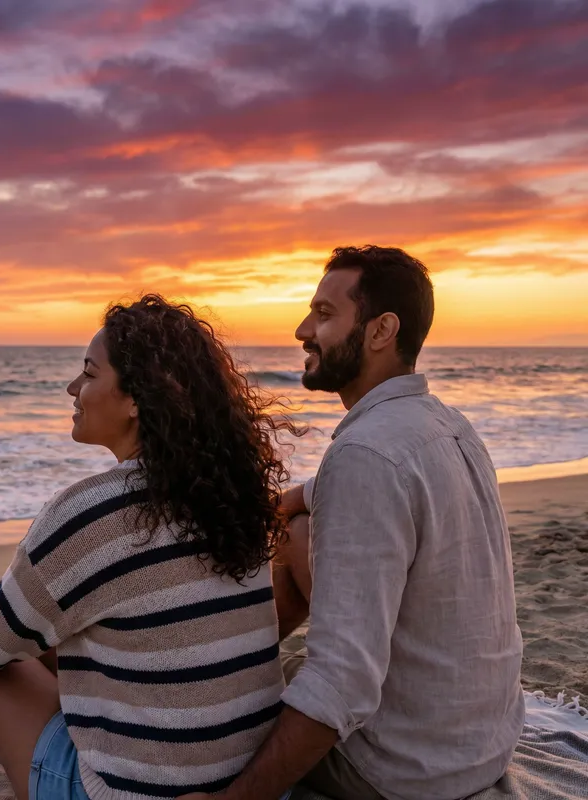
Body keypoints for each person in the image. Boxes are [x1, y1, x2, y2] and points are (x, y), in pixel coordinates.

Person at [0, 295, 297, 800]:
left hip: (126, 792)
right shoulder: (230, 497)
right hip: (246, 780)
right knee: (8, 623)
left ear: (137, 399)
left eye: (88, 373)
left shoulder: (97, 510)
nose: (72, 388)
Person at [179, 245, 525, 800]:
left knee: (219, 738)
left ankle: (211, 669)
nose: (301, 329)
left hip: (407, 772)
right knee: (297, 532)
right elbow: (352, 490)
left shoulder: (364, 454)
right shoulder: (446, 425)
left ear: (381, 330)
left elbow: (343, 683)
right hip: (479, 744)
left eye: (323, 314)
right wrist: (286, 501)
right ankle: (228, 661)